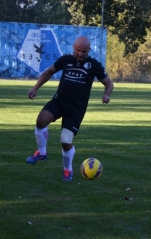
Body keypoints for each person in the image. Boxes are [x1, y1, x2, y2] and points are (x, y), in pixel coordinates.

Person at [26, 36, 114, 180]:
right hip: (59, 101)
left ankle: (68, 170)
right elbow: (49, 72)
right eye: (78, 50)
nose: (80, 54)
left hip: (76, 109)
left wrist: (106, 94)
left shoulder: (94, 65)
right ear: (74, 48)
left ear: (89, 50)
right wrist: (35, 88)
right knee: (41, 120)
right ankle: (41, 153)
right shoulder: (65, 60)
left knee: (65, 140)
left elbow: (109, 83)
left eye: (84, 51)